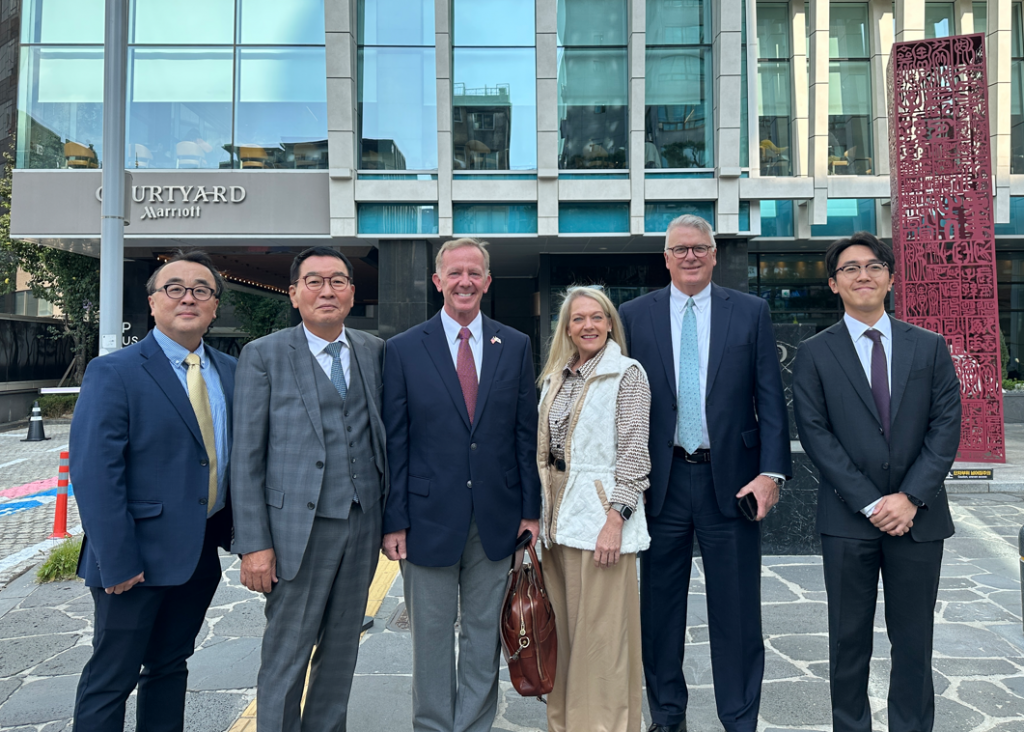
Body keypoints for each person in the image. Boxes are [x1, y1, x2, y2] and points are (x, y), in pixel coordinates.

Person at [618, 214, 792, 732]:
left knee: (737, 613)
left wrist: (772, 474)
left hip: (732, 481)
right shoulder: (634, 316)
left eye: (699, 248)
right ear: (666, 258)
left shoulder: (751, 312)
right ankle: (667, 717)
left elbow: (771, 399)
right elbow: (621, 401)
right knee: (659, 613)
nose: (690, 256)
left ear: (715, 255)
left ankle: (739, 719)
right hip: (662, 482)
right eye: (680, 249)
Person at [792, 232, 961, 732]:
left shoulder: (929, 346)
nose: (862, 275)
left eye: (873, 266)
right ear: (833, 283)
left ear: (890, 278)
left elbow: (945, 426)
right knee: (847, 642)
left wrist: (910, 497)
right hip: (848, 521)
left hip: (918, 520)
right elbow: (816, 434)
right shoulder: (815, 353)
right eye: (850, 268)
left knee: (914, 642)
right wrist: (871, 502)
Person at [381, 237, 542, 732]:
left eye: (474, 273)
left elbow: (525, 433)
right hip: (426, 519)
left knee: (483, 634)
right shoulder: (403, 349)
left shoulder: (514, 345)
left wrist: (531, 511)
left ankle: (473, 725)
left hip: (498, 516)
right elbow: (395, 441)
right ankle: (433, 726)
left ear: (487, 282)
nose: (465, 281)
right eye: (455, 273)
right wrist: (394, 520)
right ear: (438, 281)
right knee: (429, 638)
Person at [71, 250, 236, 732]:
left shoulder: (231, 370)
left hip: (199, 552)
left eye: (201, 290)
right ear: (152, 302)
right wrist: (117, 560)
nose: (188, 298)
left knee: (169, 665)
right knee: (112, 676)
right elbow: (95, 472)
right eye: (175, 288)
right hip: (134, 559)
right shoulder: (114, 371)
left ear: (215, 306)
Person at [231, 246, 387, 732]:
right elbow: (246, 457)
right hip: (296, 531)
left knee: (341, 650)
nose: (327, 290)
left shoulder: (373, 350)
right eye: (314, 281)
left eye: (337, 281)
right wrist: (254, 545)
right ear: (294, 293)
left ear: (352, 293)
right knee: (287, 653)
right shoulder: (264, 354)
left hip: (362, 524)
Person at [536, 286, 651, 732]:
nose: (588, 325)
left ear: (609, 323)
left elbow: (634, 453)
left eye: (597, 317)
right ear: (567, 328)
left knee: (602, 644)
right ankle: (564, 723)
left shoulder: (627, 374)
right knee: (563, 640)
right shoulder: (556, 377)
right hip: (557, 525)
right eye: (578, 318)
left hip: (603, 524)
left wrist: (615, 519)